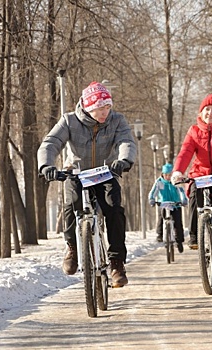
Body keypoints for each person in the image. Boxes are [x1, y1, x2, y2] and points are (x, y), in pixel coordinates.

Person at [38, 81, 136, 288]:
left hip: (105, 172)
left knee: (114, 209)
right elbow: (51, 142)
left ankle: (116, 263)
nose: (105, 112)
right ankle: (72, 247)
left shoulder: (117, 120)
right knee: (70, 204)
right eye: (100, 108)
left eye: (107, 107)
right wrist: (46, 165)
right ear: (89, 107)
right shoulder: (69, 121)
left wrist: (124, 160)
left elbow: (126, 141)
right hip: (76, 172)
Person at [170, 94, 212, 274]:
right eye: (206, 109)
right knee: (194, 193)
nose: (210, 112)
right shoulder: (194, 131)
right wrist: (178, 171)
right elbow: (185, 152)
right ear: (201, 112)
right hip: (200, 175)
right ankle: (194, 235)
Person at [148, 163, 185, 253]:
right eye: (166, 175)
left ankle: (179, 241)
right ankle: (160, 235)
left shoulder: (175, 181)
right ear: (163, 174)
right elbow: (153, 192)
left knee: (178, 223)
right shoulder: (159, 182)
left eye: (170, 175)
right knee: (161, 219)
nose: (168, 177)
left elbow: (181, 191)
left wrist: (183, 200)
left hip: (175, 204)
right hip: (164, 204)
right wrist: (152, 199)